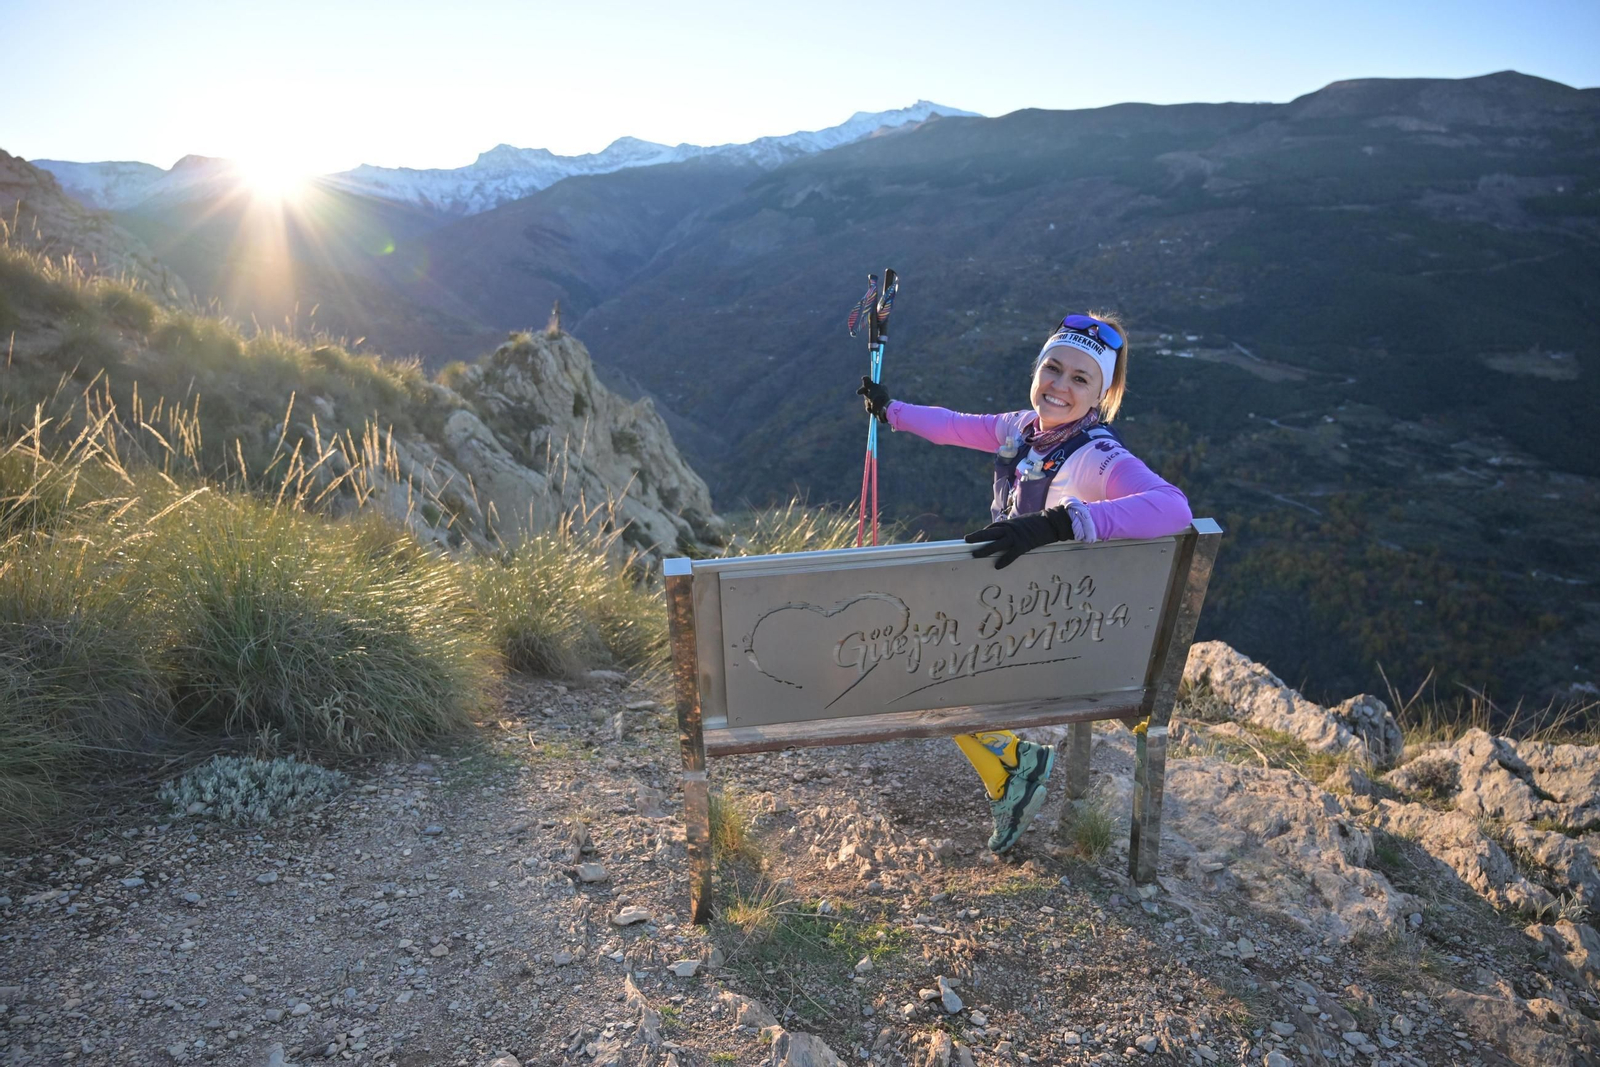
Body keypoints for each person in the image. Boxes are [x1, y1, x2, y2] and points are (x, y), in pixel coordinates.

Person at [855, 312, 1193, 853]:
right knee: (921, 659)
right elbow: (953, 425)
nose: (1059, 386)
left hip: (1046, 639)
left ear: (1102, 394)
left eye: (1080, 379)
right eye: (1052, 368)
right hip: (1024, 619)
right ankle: (1010, 771)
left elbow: (1174, 508)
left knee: (917, 666)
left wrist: (1059, 523)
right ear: (1037, 370)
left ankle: (1014, 763)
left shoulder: (1099, 458)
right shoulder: (1021, 429)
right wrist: (891, 411)